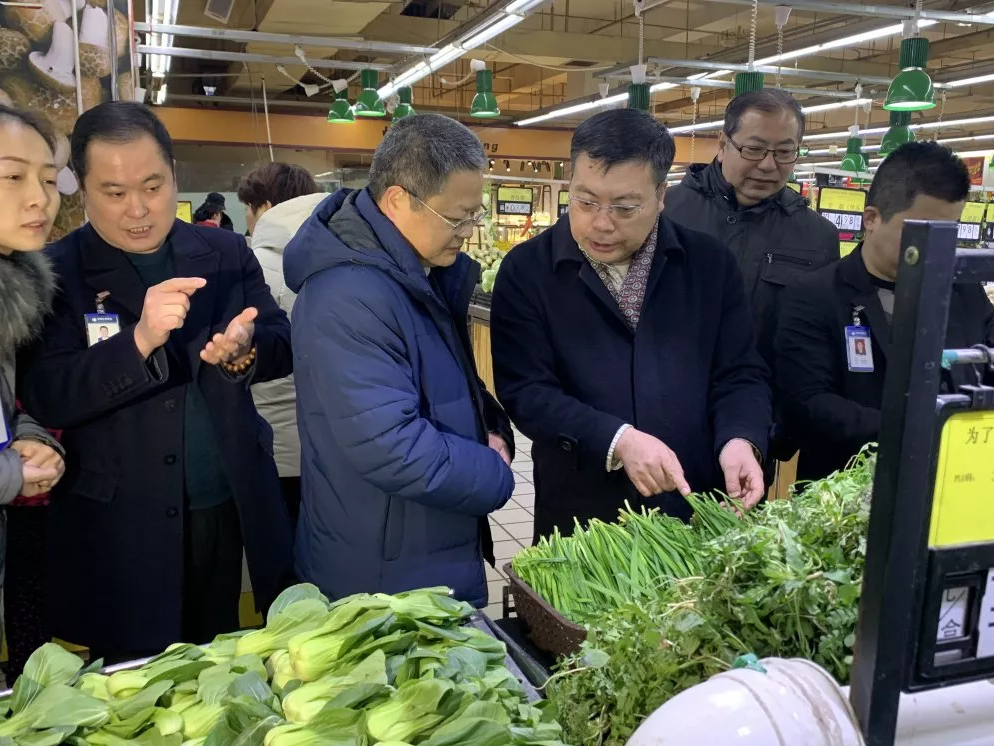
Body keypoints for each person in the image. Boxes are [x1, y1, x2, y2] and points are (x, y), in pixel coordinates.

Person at [17, 102, 295, 660]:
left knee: (221, 665)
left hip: (225, 504)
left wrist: (245, 350)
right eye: (115, 192)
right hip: (121, 526)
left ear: (173, 172)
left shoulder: (224, 251)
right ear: (82, 190)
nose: (138, 209)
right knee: (135, 678)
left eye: (153, 186)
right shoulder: (55, 272)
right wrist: (138, 341)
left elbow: (280, 342)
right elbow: (49, 395)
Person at [490, 108, 771, 541]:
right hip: (582, 517)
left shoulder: (709, 265)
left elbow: (740, 373)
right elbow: (527, 391)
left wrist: (740, 438)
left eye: (624, 207)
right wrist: (617, 440)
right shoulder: (527, 270)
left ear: (660, 196)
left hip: (695, 505)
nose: (601, 223)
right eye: (585, 201)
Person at [284, 114, 515, 608]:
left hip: (420, 543)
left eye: (474, 215)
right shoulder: (348, 295)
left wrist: (491, 425)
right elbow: (391, 446)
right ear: (397, 201)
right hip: (383, 571)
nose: (468, 231)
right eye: (458, 217)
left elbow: (451, 380)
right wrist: (492, 471)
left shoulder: (419, 272)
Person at [776, 141, 994, 482]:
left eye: (948, 233)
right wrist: (920, 431)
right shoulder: (815, 296)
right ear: (872, 218)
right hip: (845, 490)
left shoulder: (964, 291)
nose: (935, 247)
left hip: (955, 482)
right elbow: (808, 404)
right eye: (920, 231)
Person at [665, 90, 838, 462]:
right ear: (723, 143)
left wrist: (778, 430)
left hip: (754, 432)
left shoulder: (816, 237)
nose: (768, 165)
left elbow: (810, 347)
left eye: (784, 152)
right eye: (754, 149)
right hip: (658, 420)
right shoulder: (666, 212)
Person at [0, 106, 66, 676]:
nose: (39, 198)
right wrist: (12, 474)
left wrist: (29, 438)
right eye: (12, 176)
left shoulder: (14, 292)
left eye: (48, 179)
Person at [237, 162, 324, 527]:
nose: (247, 217)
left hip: (272, 444)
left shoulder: (248, 268)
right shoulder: (335, 259)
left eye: (249, 207)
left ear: (266, 207)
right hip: (333, 443)